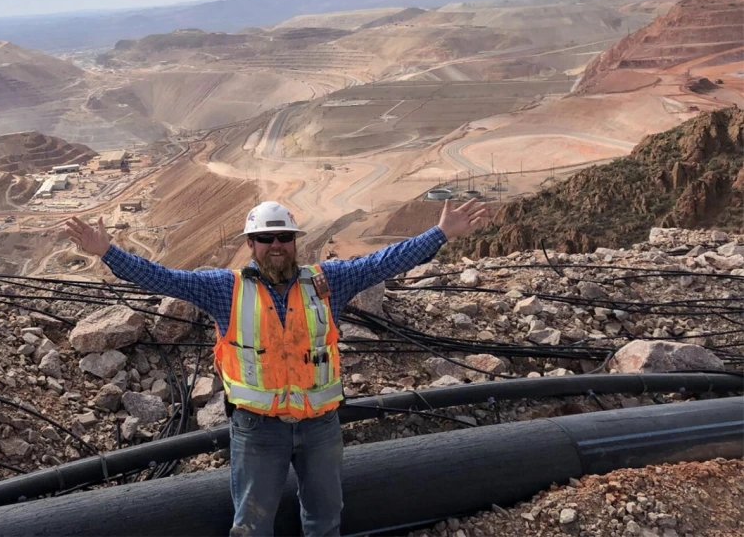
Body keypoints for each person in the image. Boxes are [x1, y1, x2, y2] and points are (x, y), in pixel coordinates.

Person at [66, 198, 487, 537]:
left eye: (283, 237)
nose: (276, 245)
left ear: (295, 242)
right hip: (257, 429)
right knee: (252, 525)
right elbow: (164, 279)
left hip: (320, 425)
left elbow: (382, 263)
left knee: (325, 521)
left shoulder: (327, 282)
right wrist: (108, 252)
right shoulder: (224, 289)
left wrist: (439, 234)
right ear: (251, 244)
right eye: (265, 238)